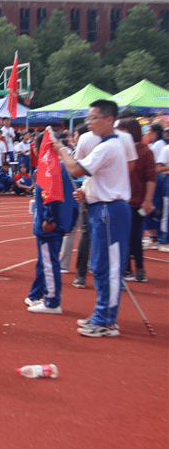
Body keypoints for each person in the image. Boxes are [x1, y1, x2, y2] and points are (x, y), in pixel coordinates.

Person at [54, 100, 131, 337]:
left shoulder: (109, 146)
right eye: (87, 119)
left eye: (93, 118)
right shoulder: (106, 144)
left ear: (109, 120)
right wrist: (86, 191)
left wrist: (62, 150)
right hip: (102, 209)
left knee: (108, 266)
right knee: (99, 264)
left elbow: (76, 169)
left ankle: (106, 320)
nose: (89, 124)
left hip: (109, 211)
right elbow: (97, 176)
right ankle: (102, 314)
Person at [25, 131, 78, 314]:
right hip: (60, 222)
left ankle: (52, 301)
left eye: (35, 145)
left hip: (50, 225)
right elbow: (73, 197)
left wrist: (49, 218)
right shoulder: (63, 167)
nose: (32, 148)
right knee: (44, 260)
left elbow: (50, 196)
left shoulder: (47, 167)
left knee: (49, 261)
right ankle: (36, 294)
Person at [116, 117, 155, 283]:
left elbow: (151, 178)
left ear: (129, 131)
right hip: (121, 200)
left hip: (136, 201)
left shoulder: (145, 151)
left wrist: (148, 200)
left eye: (121, 130)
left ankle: (138, 270)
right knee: (125, 237)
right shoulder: (119, 149)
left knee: (133, 237)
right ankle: (127, 270)